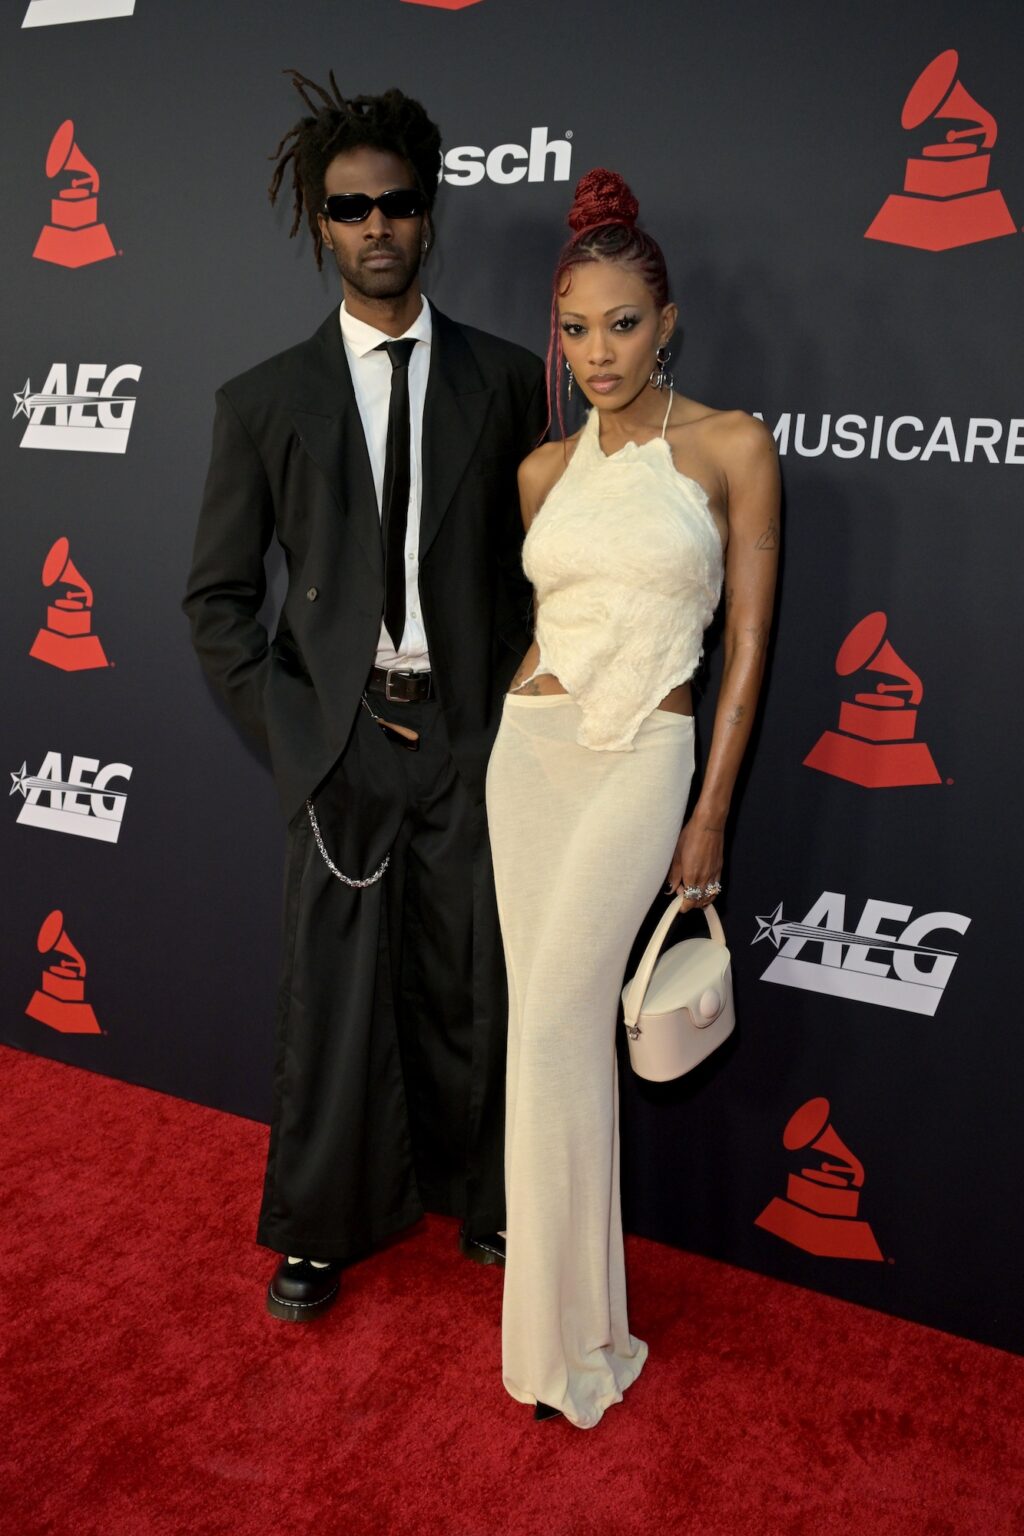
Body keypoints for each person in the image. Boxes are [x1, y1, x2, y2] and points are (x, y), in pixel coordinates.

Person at [184, 72, 545, 1321]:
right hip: (341, 742)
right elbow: (217, 600)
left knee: (484, 978)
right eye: (351, 209)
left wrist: (516, 698)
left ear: (429, 217)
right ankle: (324, 1227)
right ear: (319, 224)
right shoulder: (262, 401)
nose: (377, 227)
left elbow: (542, 566)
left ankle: (493, 1207)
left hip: (474, 733)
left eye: (397, 204)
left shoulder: (506, 383)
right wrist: (303, 735)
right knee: (332, 998)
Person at [486, 169, 780, 1427]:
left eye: (619, 324)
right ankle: (582, 1328)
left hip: (645, 756)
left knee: (556, 1031)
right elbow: (541, 623)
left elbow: (750, 643)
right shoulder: (542, 472)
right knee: (548, 1046)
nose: (595, 350)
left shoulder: (729, 446)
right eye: (573, 326)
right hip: (529, 755)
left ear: (666, 324)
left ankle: (560, 1347)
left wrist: (709, 809)